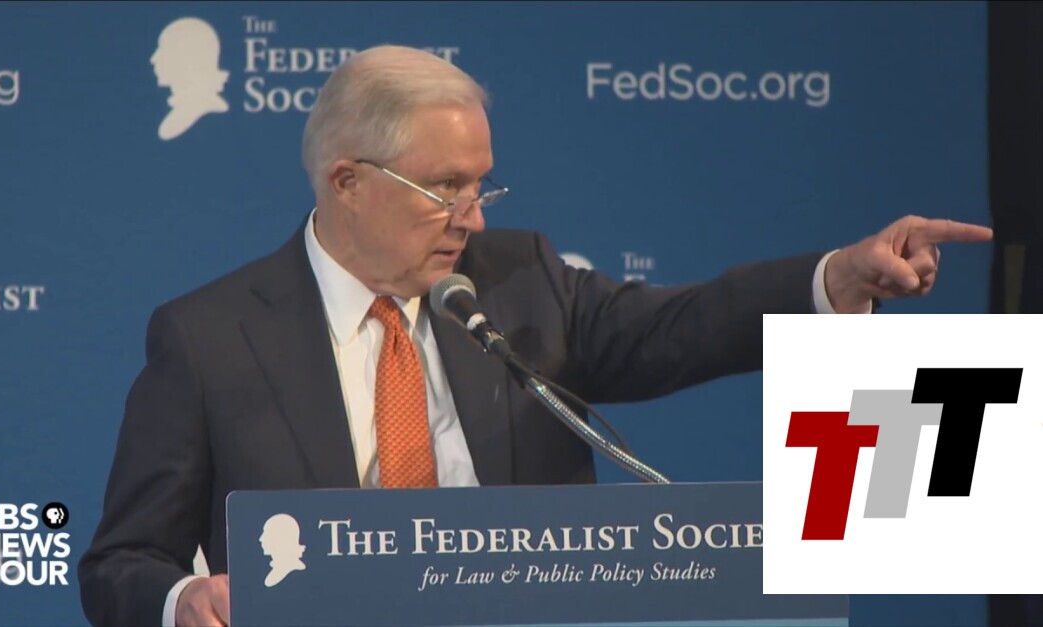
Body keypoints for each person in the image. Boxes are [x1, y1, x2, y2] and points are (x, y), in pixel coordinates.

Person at [77, 45, 992, 626]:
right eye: (446, 187)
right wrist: (183, 597)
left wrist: (836, 278)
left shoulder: (519, 281)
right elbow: (122, 560)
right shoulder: (210, 337)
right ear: (347, 182)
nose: (472, 216)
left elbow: (682, 326)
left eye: (482, 184)